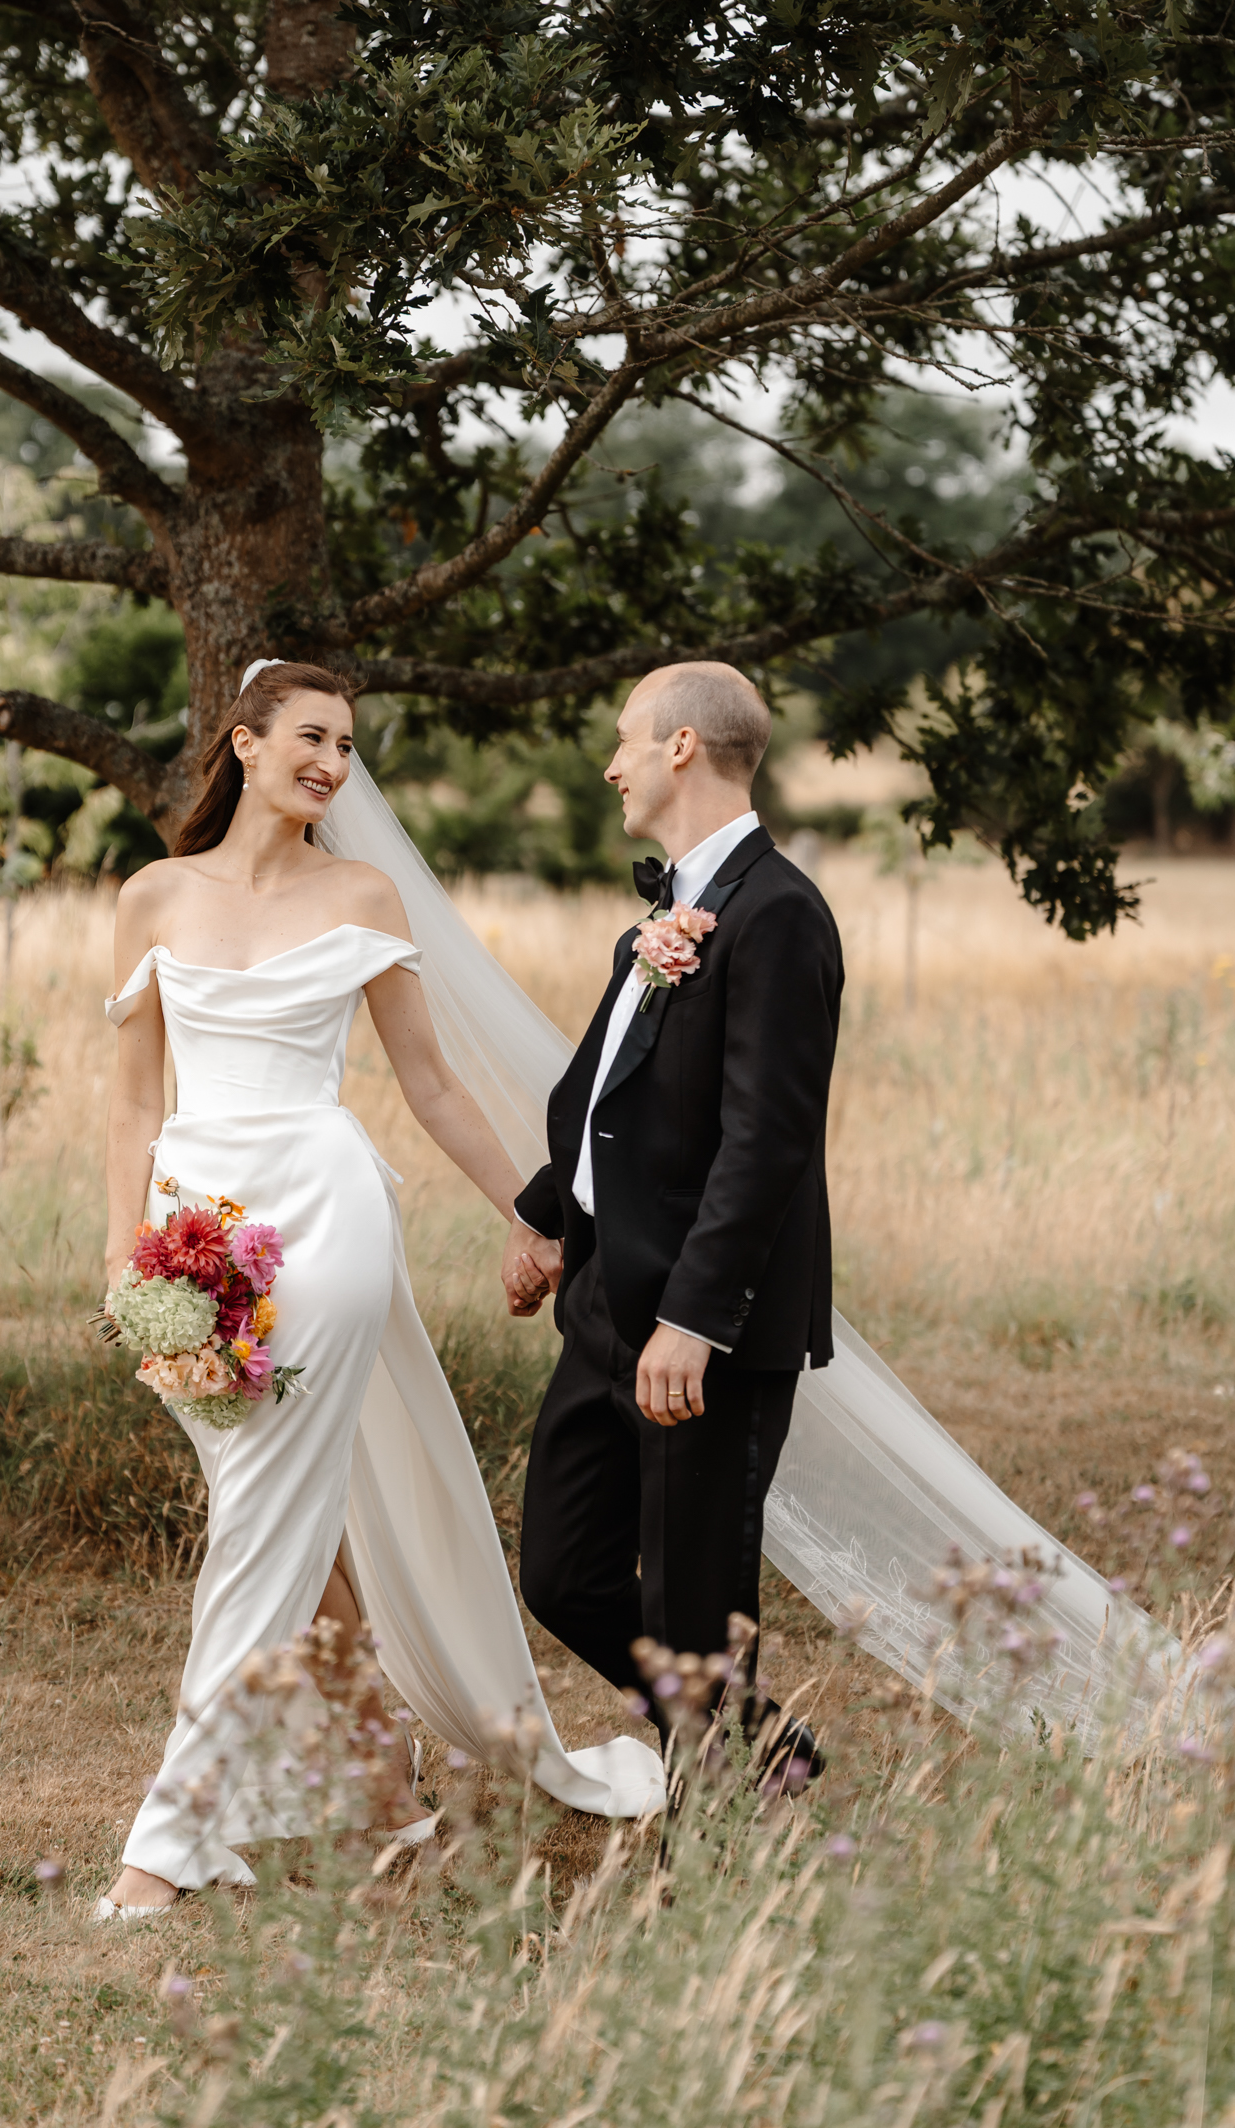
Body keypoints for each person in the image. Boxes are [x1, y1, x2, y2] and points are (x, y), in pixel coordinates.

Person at [94, 661, 662, 1920]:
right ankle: (378, 1776)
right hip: (191, 1241)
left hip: (326, 1220)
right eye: (312, 736)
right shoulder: (153, 897)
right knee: (278, 1511)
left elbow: (433, 1083)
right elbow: (133, 1100)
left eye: (347, 746)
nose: (333, 764)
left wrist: (533, 1210)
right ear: (244, 744)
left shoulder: (362, 894)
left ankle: (169, 1840)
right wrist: (123, 1252)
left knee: (262, 1519)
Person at [503, 663, 840, 1772]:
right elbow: (612, 1094)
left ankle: (713, 1843)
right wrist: (544, 1217)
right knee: (563, 1574)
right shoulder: (665, 917)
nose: (611, 765)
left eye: (624, 740)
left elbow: (767, 1141)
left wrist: (694, 1319)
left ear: (681, 745)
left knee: (695, 1604)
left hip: (703, 1321)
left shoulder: (779, 913)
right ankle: (760, 1752)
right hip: (607, 1294)